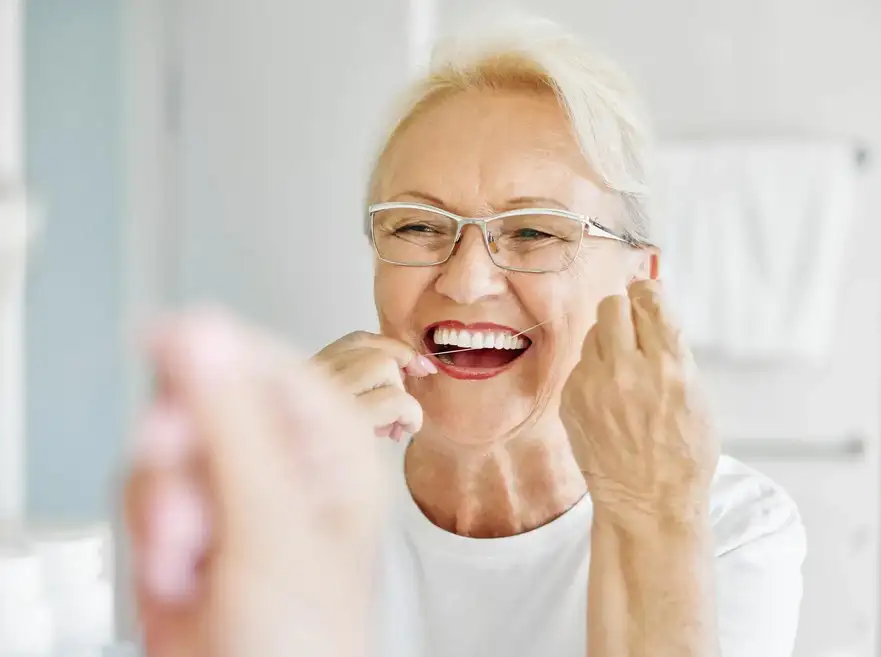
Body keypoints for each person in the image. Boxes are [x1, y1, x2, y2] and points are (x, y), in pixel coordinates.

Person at [125, 13, 806, 657]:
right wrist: (261, 520)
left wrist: (651, 513)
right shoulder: (305, 492)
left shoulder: (730, 530)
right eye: (417, 226)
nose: (465, 280)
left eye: (534, 230)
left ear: (638, 280)